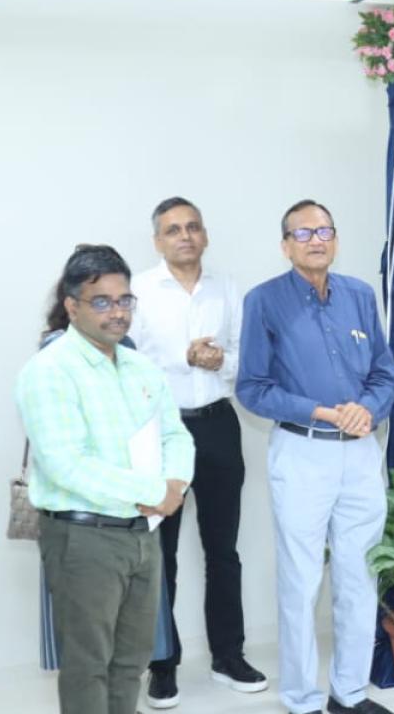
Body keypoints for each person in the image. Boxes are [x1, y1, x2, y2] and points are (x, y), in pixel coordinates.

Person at [16, 244, 194, 714]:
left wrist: (175, 485)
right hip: (84, 537)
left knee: (132, 661)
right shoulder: (49, 371)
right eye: (102, 301)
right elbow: (64, 463)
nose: (116, 312)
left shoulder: (140, 366)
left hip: (142, 534)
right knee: (88, 665)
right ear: (72, 306)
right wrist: (154, 492)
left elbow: (176, 435)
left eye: (124, 300)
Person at [238, 200, 394, 714]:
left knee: (358, 575)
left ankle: (349, 694)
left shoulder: (358, 294)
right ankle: (303, 700)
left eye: (325, 229)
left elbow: (385, 374)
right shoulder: (263, 301)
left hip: (360, 456)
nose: (316, 239)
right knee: (301, 580)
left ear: (335, 238)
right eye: (303, 232)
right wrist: (322, 412)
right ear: (285, 245)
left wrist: (366, 411)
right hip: (302, 454)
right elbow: (253, 388)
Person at [126, 198, 267, 707]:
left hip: (218, 427)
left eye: (192, 227)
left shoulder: (228, 288)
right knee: (159, 557)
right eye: (172, 230)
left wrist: (216, 360)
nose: (184, 236)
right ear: (158, 240)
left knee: (223, 551)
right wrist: (181, 362)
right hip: (161, 433)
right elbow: (127, 364)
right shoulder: (138, 291)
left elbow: (243, 359)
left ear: (205, 235)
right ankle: (162, 666)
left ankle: (229, 656)